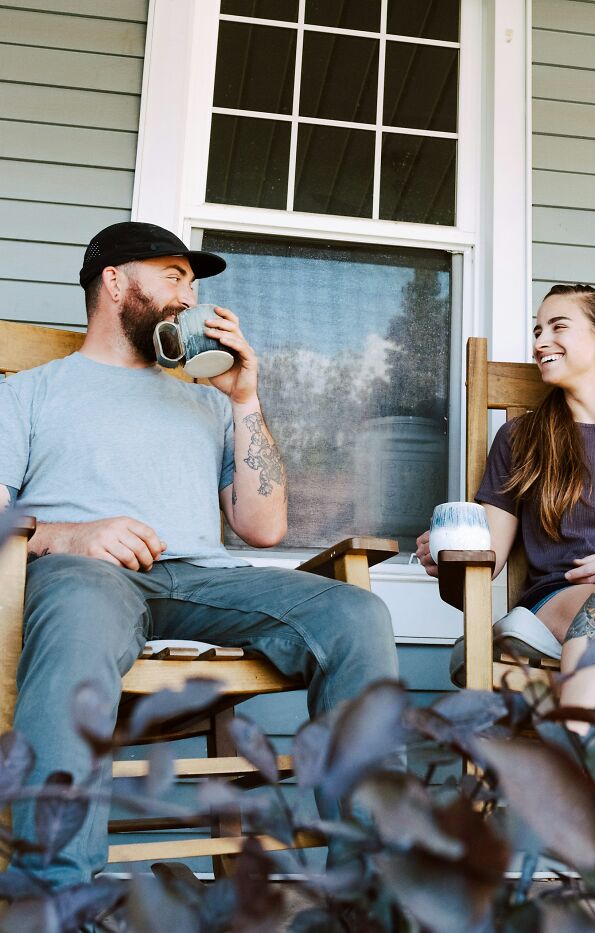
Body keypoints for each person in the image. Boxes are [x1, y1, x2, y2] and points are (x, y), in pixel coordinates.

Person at [0, 221, 398, 888]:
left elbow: (265, 526)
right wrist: (66, 536)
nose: (188, 297)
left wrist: (245, 398)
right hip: (86, 576)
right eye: (174, 276)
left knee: (357, 616)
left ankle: (376, 891)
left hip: (203, 582)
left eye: (193, 281)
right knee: (75, 618)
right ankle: (57, 898)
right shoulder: (29, 392)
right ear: (116, 281)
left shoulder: (205, 402)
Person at [417, 283, 595, 755]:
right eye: (537, 330)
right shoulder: (522, 438)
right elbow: (487, 561)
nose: (540, 341)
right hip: (564, 600)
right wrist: (450, 557)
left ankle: (571, 756)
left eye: (557, 327)